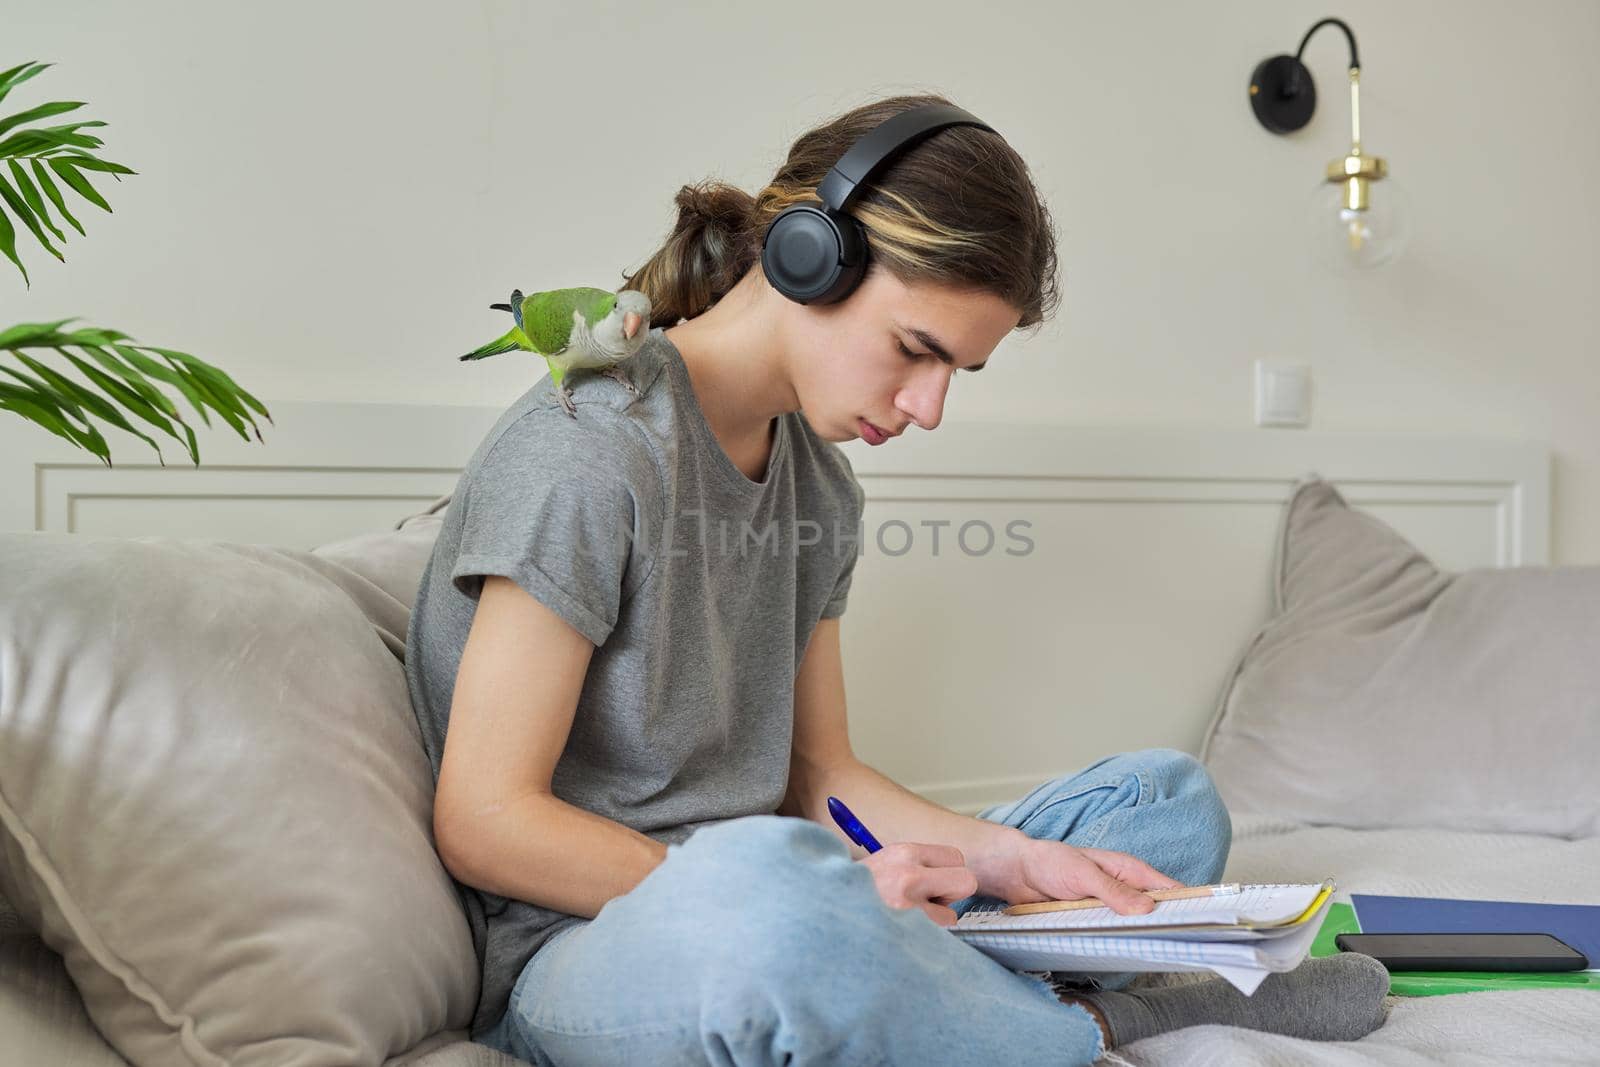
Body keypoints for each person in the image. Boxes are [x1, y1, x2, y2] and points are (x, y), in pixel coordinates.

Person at [404, 93, 1389, 1066]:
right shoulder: (589, 445)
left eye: (957, 370)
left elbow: (821, 774)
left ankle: (948, 985)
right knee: (780, 898)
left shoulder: (820, 483)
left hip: (808, 897)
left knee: (1166, 803)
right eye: (916, 350)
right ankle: (1096, 1023)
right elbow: (486, 820)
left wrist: (1005, 859)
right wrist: (826, 890)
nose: (927, 407)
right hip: (609, 944)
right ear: (805, 257)